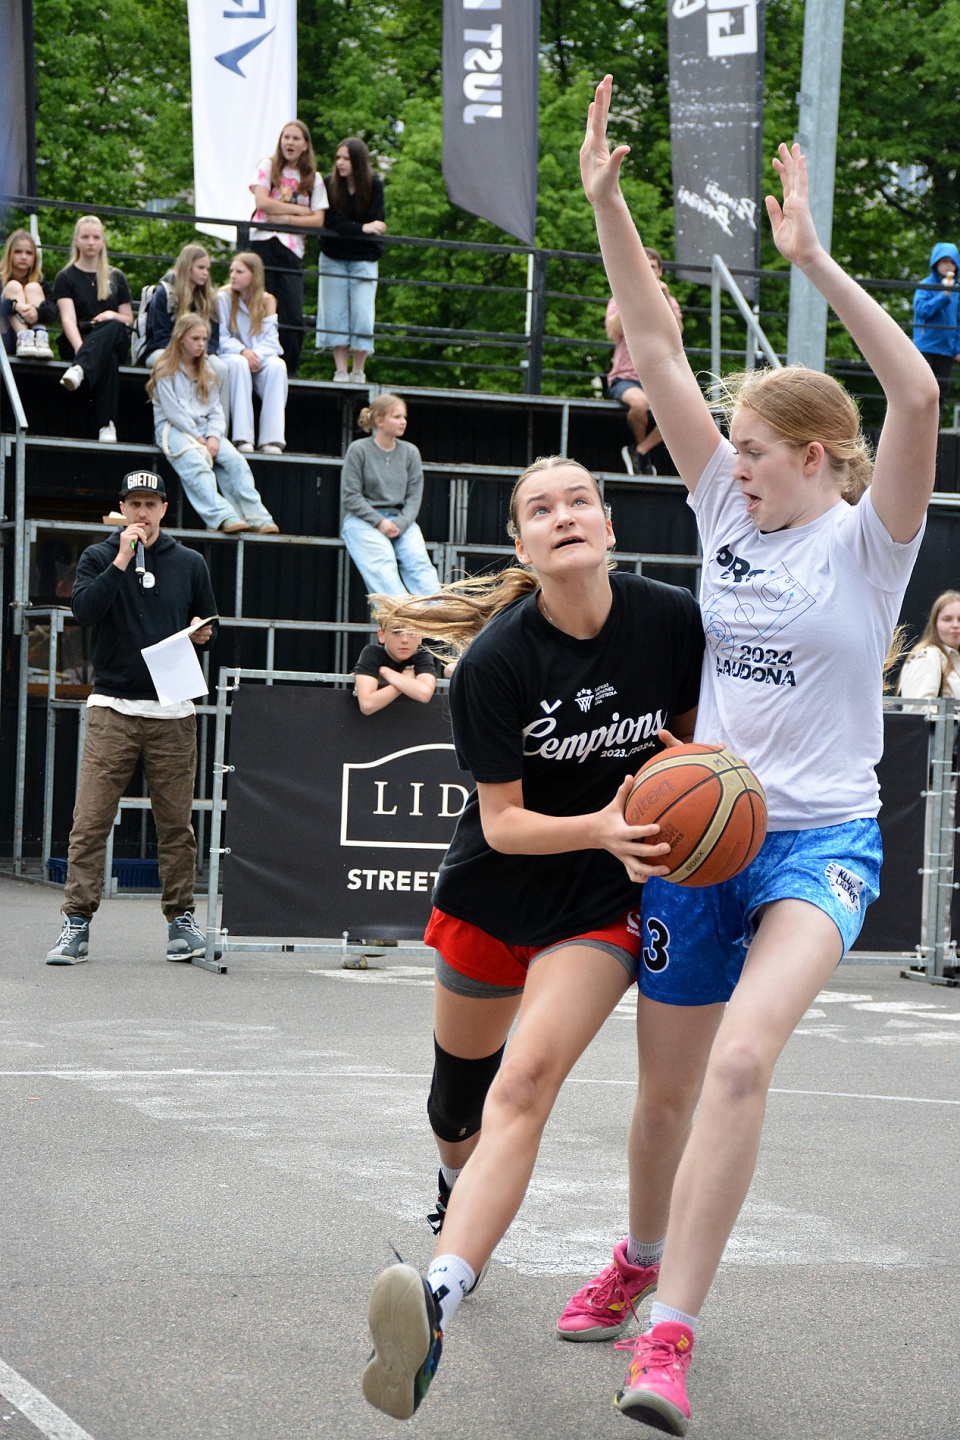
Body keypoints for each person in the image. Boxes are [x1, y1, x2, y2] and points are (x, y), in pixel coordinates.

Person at [558, 76, 940, 1435]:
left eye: (764, 453)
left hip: (819, 840)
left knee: (738, 1064)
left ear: (821, 460)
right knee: (664, 1088)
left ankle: (670, 1336)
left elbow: (915, 389)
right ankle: (636, 1254)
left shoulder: (871, 541)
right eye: (739, 453)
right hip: (698, 829)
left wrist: (815, 261)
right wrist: (607, 207)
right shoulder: (726, 511)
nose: (739, 466)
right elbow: (657, 346)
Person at [360, 452, 705, 1422]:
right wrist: (602, 823)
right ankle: (452, 1182)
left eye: (580, 500)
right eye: (541, 509)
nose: (564, 515)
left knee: (525, 1084)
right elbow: (504, 824)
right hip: (497, 889)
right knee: (457, 1102)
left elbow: (692, 753)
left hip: (596, 903)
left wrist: (681, 818)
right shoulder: (497, 662)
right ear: (522, 546)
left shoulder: (669, 622)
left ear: (609, 526)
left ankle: (434, 1302)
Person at [44, 469, 220, 966]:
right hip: (113, 707)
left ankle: (181, 922)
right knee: (90, 822)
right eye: (134, 504)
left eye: (151, 504)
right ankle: (76, 923)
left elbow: (210, 625)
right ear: (122, 508)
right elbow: (84, 612)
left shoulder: (190, 563)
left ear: (165, 508)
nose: (143, 513)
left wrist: (203, 633)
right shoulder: (99, 556)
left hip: (173, 710)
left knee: (176, 827)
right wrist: (122, 558)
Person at [147, 313, 279, 536]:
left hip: (206, 430)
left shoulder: (207, 369)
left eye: (204, 339)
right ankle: (223, 516)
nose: (201, 344)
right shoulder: (164, 368)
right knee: (196, 464)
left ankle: (257, 517)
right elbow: (173, 412)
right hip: (174, 428)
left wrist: (214, 437)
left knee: (236, 462)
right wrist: (200, 439)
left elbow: (216, 409)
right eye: (195, 339)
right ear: (181, 338)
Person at [341, 394, 441, 601]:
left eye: (404, 417)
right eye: (397, 417)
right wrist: (379, 522)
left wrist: (400, 524)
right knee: (382, 564)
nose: (403, 421)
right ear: (379, 420)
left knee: (420, 564)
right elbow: (351, 496)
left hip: (401, 521)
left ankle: (438, 615)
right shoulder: (358, 449)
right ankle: (398, 614)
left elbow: (414, 497)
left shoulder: (410, 452)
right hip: (363, 520)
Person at [248, 119, 327, 377]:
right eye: (286, 137)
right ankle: (255, 362)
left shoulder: (313, 178)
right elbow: (262, 203)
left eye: (295, 138)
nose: (289, 143)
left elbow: (317, 219)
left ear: (305, 145)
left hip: (291, 248)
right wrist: (299, 210)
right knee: (259, 306)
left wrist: (285, 219)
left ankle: (287, 370)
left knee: (292, 315)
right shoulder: (268, 166)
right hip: (263, 242)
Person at [54, 215, 133, 444]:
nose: (91, 242)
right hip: (79, 340)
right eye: (86, 237)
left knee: (114, 325)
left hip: (112, 337)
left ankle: (80, 370)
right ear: (76, 241)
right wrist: (83, 351)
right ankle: (106, 425)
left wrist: (112, 315)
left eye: (96, 237)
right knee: (108, 358)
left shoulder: (116, 277)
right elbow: (68, 319)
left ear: (102, 242)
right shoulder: (65, 277)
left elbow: (128, 320)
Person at [606, 247, 683, 476]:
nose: (648, 272)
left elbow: (677, 333)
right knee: (639, 404)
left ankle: (640, 451)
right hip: (626, 377)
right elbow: (613, 333)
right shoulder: (619, 298)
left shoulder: (669, 300)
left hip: (657, 376)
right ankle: (642, 455)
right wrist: (627, 296)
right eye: (644, 267)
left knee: (679, 410)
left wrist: (665, 297)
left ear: (660, 271)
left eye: (652, 267)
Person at [142, 243, 232, 430]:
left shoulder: (209, 299)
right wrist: (184, 355)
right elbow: (159, 335)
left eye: (207, 269)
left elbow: (213, 337)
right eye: (200, 268)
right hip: (164, 350)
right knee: (168, 364)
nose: (205, 273)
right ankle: (177, 425)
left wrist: (203, 353)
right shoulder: (165, 293)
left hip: (200, 352)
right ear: (187, 266)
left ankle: (218, 432)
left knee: (221, 369)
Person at [319, 136, 386, 383]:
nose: (340, 163)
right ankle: (340, 370)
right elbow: (330, 221)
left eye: (346, 158)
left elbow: (377, 221)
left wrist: (357, 228)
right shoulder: (329, 184)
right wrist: (361, 228)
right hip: (334, 255)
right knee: (334, 313)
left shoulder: (374, 184)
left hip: (364, 257)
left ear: (357, 160)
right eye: (338, 158)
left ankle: (358, 370)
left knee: (363, 314)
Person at [217, 252, 288, 454]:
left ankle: (272, 440)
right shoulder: (223, 298)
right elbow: (221, 337)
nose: (233, 275)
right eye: (232, 271)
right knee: (239, 364)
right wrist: (243, 351)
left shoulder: (267, 300)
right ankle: (243, 437)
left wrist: (255, 355)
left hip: (259, 356)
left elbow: (272, 340)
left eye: (239, 272)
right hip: (232, 355)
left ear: (253, 275)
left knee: (277, 366)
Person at [912, 242, 960, 412]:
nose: (949, 265)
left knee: (940, 395)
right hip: (926, 347)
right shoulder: (926, 285)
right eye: (944, 261)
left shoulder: (957, 290)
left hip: (946, 350)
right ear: (936, 263)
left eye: (952, 262)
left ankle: (934, 429)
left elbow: (958, 321)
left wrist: (958, 348)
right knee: (921, 393)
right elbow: (922, 311)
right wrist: (943, 295)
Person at [353, 618, 437, 714]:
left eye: (412, 633)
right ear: (382, 635)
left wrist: (387, 672)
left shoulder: (423, 655)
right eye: (397, 632)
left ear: (420, 637)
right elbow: (367, 705)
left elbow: (424, 694)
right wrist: (405, 680)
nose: (405, 640)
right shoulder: (372, 653)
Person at [0, 228, 56, 359]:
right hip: (6, 337)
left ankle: (40, 337)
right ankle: (24, 337)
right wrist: (15, 306)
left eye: (29, 253)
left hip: (35, 342)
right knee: (13, 286)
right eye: (18, 252)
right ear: (9, 254)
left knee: (33, 287)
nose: (23, 257)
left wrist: (37, 313)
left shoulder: (40, 281)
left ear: (34, 257)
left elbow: (53, 311)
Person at [897, 590, 960, 699]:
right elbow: (917, 707)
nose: (955, 625)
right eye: (947, 619)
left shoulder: (954, 658)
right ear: (935, 624)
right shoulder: (927, 656)